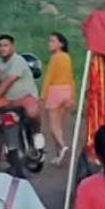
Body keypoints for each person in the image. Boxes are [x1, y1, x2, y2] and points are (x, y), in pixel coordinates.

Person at [0, 35, 45, 151]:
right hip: (7, 99)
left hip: (24, 97)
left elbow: (8, 82)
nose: (2, 48)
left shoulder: (18, 60)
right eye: (0, 46)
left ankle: (37, 134)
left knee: (33, 113)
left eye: (5, 45)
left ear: (12, 47)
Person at [40, 32, 75, 165]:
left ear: (61, 44)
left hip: (55, 91)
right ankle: (59, 154)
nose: (50, 44)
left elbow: (49, 77)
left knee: (53, 126)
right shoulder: (67, 57)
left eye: (53, 41)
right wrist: (72, 96)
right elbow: (71, 77)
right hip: (66, 90)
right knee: (59, 125)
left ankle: (62, 146)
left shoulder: (55, 58)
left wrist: (43, 96)